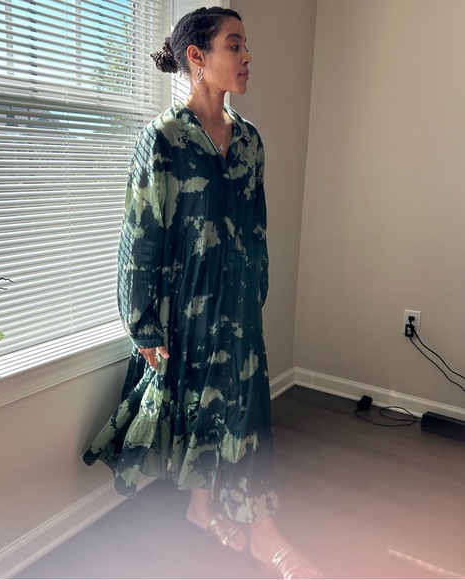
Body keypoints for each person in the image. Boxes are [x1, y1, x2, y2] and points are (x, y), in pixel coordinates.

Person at [83, 7, 322, 579]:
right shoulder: (161, 141)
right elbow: (139, 235)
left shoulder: (250, 142)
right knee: (200, 412)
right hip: (184, 309)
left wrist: (256, 290)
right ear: (197, 56)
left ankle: (263, 533)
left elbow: (258, 226)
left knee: (248, 416)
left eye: (245, 45)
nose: (247, 57)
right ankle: (200, 507)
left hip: (238, 306)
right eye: (234, 45)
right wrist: (142, 323)